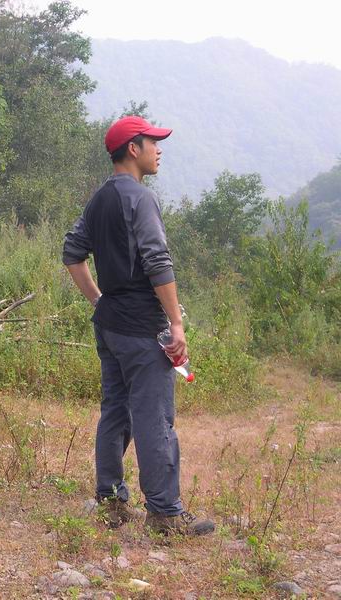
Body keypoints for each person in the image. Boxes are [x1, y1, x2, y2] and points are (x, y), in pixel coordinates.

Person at [62, 116, 214, 536]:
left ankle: (111, 501)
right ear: (133, 148)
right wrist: (176, 323)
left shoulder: (99, 199)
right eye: (153, 142)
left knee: (115, 410)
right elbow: (157, 261)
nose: (158, 149)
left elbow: (72, 253)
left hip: (110, 325)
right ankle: (165, 514)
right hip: (142, 327)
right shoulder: (141, 199)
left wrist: (99, 301)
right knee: (154, 417)